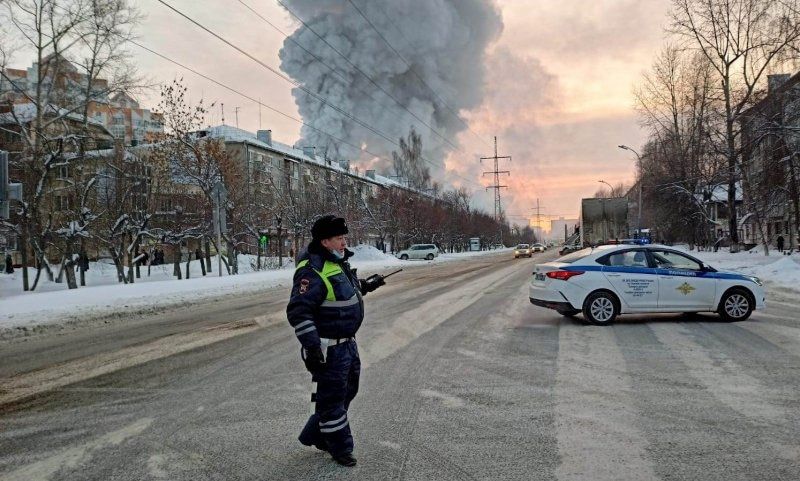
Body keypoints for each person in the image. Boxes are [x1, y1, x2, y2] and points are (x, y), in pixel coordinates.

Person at [286, 215, 385, 467]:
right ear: (325, 241)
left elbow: (342, 294)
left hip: (347, 346)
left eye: (344, 238)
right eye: (340, 238)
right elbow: (299, 311)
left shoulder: (337, 263)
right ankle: (340, 447)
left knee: (346, 393)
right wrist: (312, 347)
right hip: (327, 348)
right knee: (332, 401)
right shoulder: (312, 271)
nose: (344, 243)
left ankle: (317, 434)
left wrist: (366, 285)